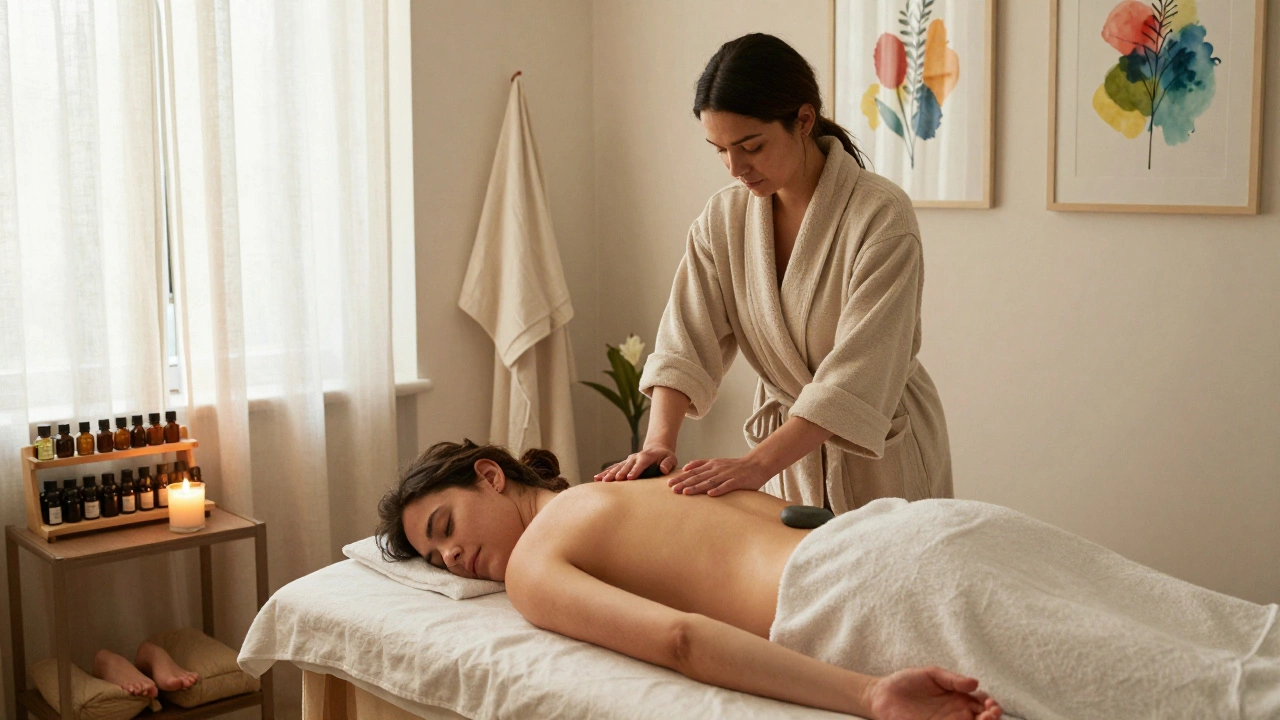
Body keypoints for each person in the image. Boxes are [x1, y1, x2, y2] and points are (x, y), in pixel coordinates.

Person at [378, 441, 1280, 720]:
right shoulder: (636, 482)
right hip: (923, 524)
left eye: (445, 528)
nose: (452, 560)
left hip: (867, 581)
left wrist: (870, 696)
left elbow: (681, 640)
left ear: (490, 476)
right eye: (434, 558)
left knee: (1183, 699)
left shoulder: (538, 564)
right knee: (1212, 636)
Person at [596, 33, 951, 514]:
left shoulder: (881, 216)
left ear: (803, 120)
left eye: (751, 146)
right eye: (720, 150)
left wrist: (756, 464)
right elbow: (685, 341)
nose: (735, 167)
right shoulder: (724, 220)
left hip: (877, 454)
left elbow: (859, 373)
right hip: (789, 460)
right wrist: (659, 443)